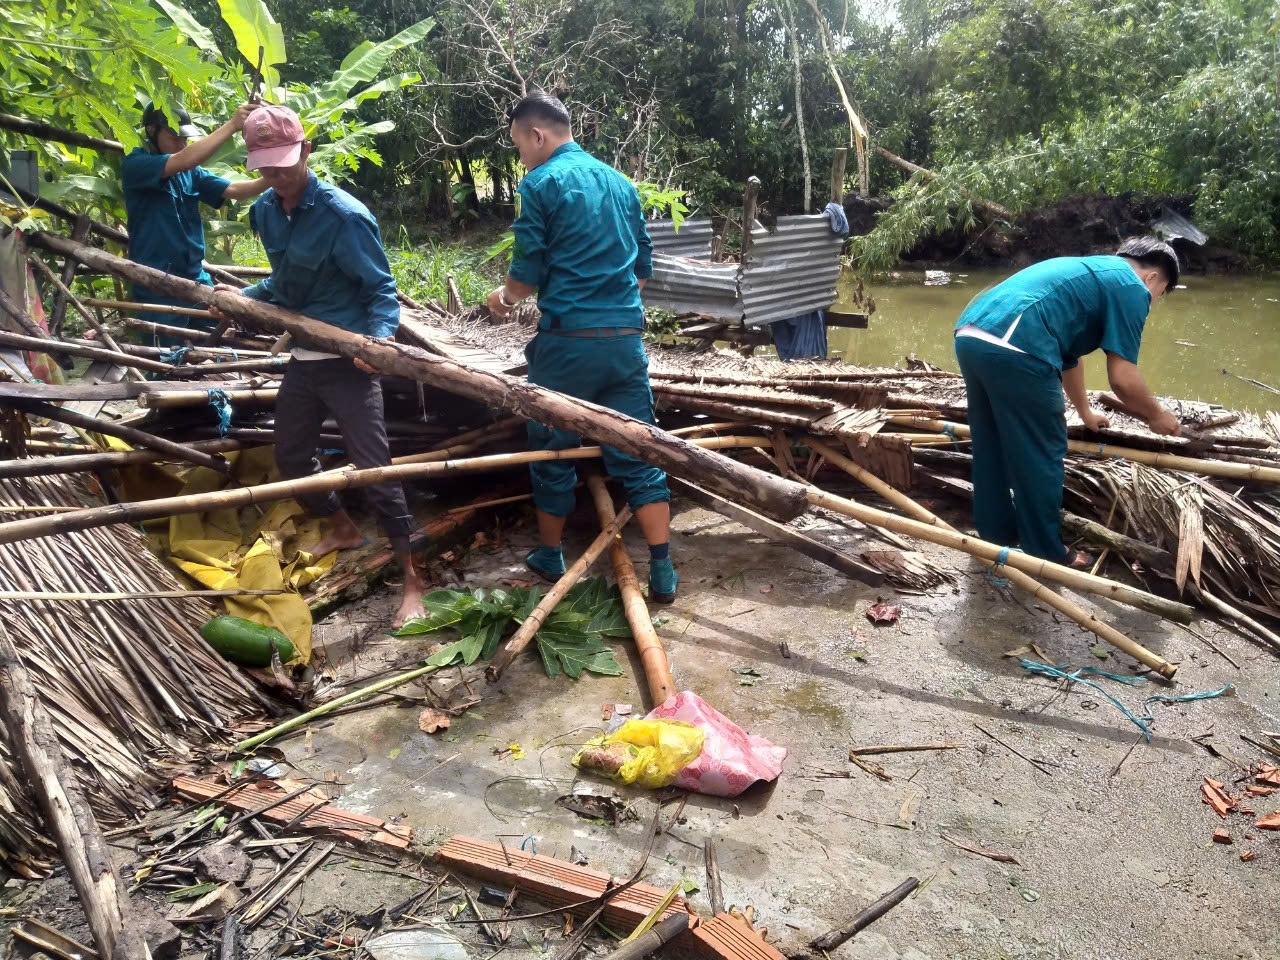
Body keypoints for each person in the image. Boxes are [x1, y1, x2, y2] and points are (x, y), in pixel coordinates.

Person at [208, 104, 427, 627]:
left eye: (284, 163)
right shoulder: (265, 211)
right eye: (265, 166)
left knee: (376, 470)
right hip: (303, 359)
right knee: (291, 455)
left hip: (348, 362)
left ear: (306, 151)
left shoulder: (344, 216)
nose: (276, 174)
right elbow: (283, 284)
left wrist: (377, 344)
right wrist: (239, 298)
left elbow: (381, 291)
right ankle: (343, 527)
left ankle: (413, 579)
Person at [485, 92, 677, 603]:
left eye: (518, 145)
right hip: (625, 343)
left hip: (567, 346)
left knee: (552, 449)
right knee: (639, 449)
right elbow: (642, 266)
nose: (521, 156)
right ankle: (662, 568)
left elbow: (525, 273)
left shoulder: (540, 183)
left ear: (537, 135)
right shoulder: (622, 184)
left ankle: (551, 556)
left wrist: (503, 299)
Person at [953, 236, 1182, 567]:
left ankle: (995, 534)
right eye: (1160, 294)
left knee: (991, 442)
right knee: (1042, 450)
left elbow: (1069, 358)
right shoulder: (1133, 288)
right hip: (1018, 344)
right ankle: (1044, 550)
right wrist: (1156, 414)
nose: (1153, 301)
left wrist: (1085, 412)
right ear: (1153, 278)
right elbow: (1123, 378)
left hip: (972, 333)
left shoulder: (1095, 271)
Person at [121, 102, 266, 344]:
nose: (182, 144)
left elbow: (234, 189)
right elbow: (185, 159)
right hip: (156, 280)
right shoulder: (136, 164)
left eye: (185, 139)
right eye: (175, 137)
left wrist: (273, 176)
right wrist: (233, 125)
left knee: (216, 341)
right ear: (151, 131)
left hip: (194, 276)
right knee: (166, 352)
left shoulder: (191, 172)